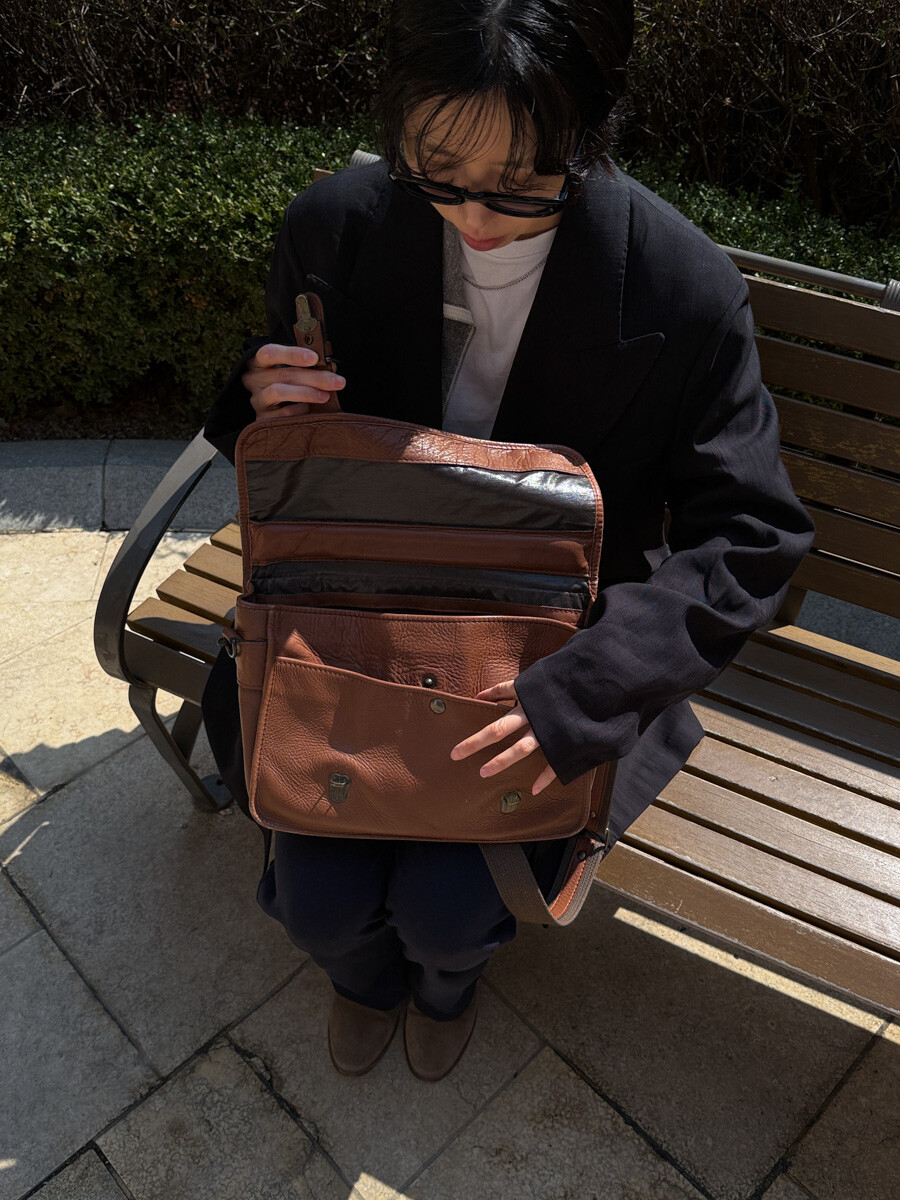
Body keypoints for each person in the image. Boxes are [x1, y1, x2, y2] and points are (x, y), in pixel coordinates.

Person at [202, 0, 815, 1082]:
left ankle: (446, 984)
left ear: (592, 132)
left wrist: (587, 691)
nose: (475, 216)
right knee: (316, 897)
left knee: (449, 906)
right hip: (354, 621)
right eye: (436, 167)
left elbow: (752, 530)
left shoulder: (681, 286)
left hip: (550, 650)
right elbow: (281, 435)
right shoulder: (338, 225)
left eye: (526, 181)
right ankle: (362, 979)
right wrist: (262, 399)